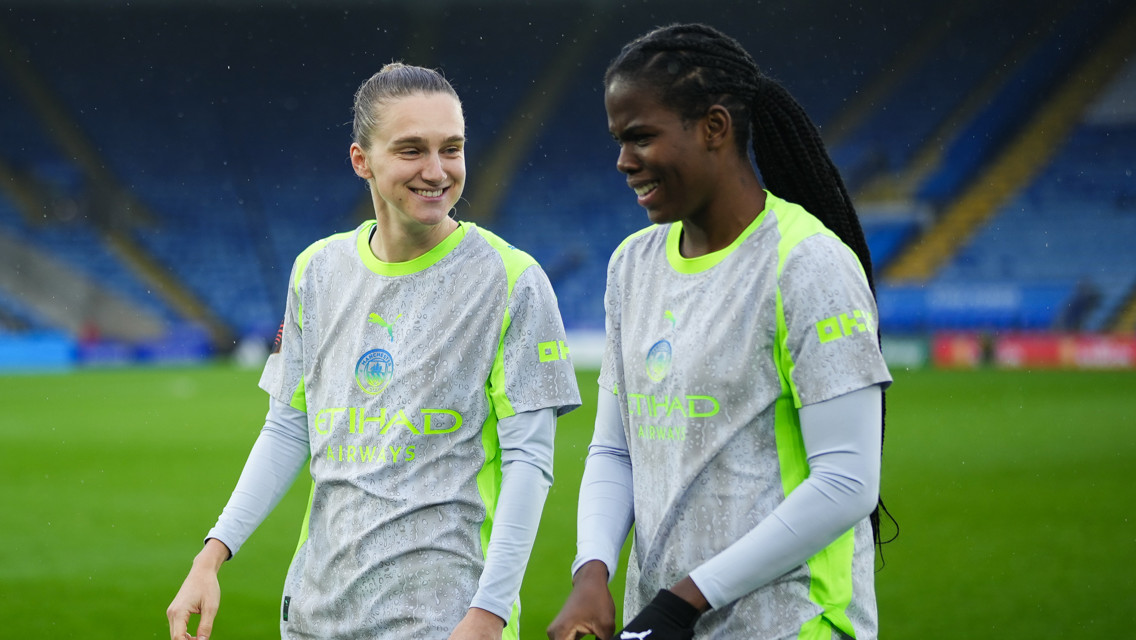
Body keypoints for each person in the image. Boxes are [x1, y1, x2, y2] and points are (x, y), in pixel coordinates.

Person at [166, 62, 581, 640]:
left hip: (447, 622)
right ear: (362, 159)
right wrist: (211, 556)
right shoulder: (317, 269)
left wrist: (488, 614)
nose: (436, 171)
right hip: (314, 616)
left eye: (452, 149)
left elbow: (529, 465)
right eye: (412, 150)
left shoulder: (512, 280)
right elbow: (289, 427)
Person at [546, 24, 892, 640]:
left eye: (641, 137)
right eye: (619, 140)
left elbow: (847, 482)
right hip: (668, 624)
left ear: (714, 128)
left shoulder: (806, 262)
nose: (624, 161)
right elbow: (616, 448)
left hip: (792, 624)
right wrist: (591, 573)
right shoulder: (632, 264)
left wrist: (685, 599)